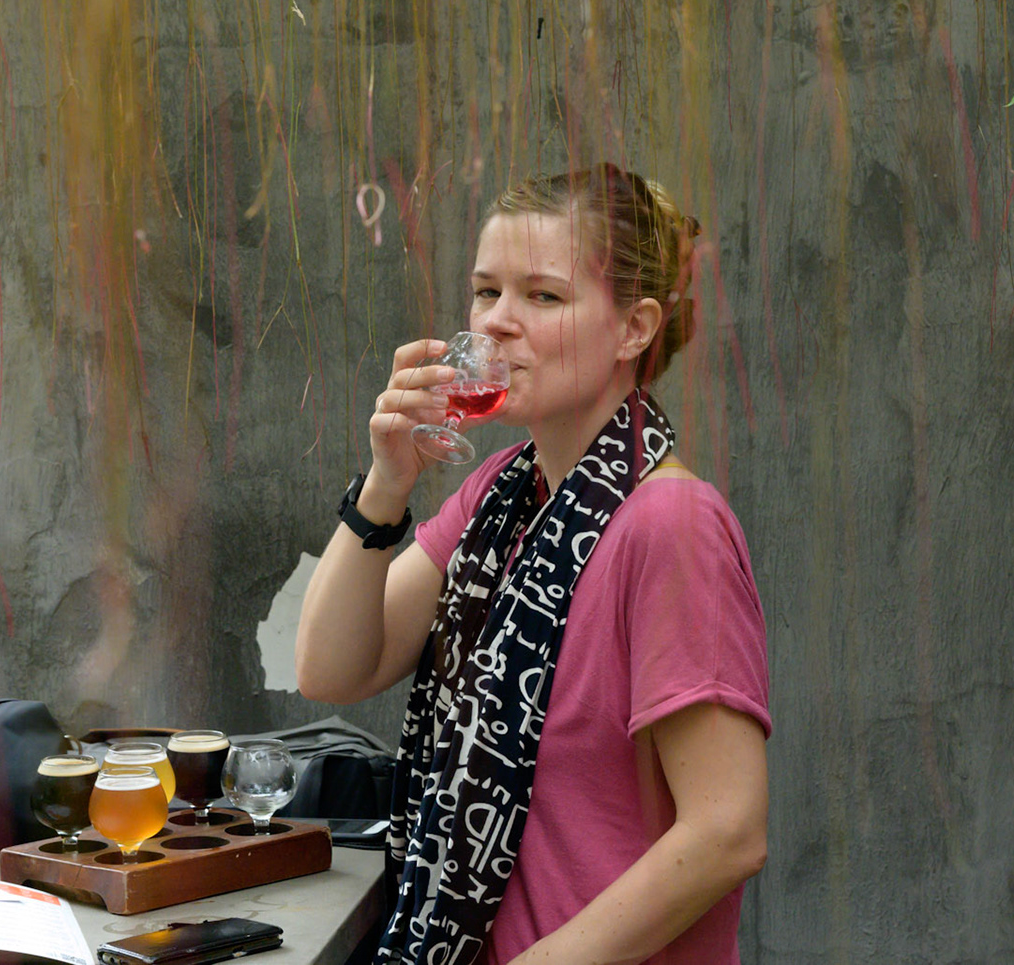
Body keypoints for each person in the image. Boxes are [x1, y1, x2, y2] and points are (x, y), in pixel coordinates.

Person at [297, 164, 772, 965]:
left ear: (634, 328)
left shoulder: (670, 523)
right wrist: (385, 484)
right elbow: (332, 668)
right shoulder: (503, 495)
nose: (499, 323)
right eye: (487, 292)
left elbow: (728, 830)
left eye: (543, 296)